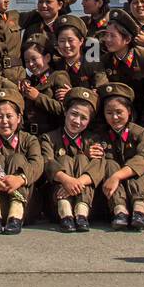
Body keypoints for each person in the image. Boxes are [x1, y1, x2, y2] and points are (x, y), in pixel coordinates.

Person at [0, 87, 43, 234]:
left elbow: (37, 165)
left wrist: (20, 179)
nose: (4, 121)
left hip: (24, 204)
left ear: (18, 118)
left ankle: (15, 216)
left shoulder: (29, 140)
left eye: (9, 116)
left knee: (17, 158)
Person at [40, 86, 104, 232]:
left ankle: (81, 214)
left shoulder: (93, 140)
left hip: (88, 202)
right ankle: (66, 213)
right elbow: (46, 161)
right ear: (65, 112)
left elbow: (99, 165)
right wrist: (65, 180)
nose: (77, 121)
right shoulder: (49, 138)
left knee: (82, 159)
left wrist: (76, 183)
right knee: (64, 160)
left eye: (83, 118)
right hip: (56, 201)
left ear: (89, 121)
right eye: (74, 114)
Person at [94, 82, 144, 230]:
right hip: (110, 193)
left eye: (119, 112)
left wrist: (117, 176)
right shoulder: (99, 136)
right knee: (109, 164)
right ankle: (119, 210)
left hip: (138, 188)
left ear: (129, 111)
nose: (114, 117)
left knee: (136, 169)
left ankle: (140, 210)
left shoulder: (140, 133)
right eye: (109, 113)